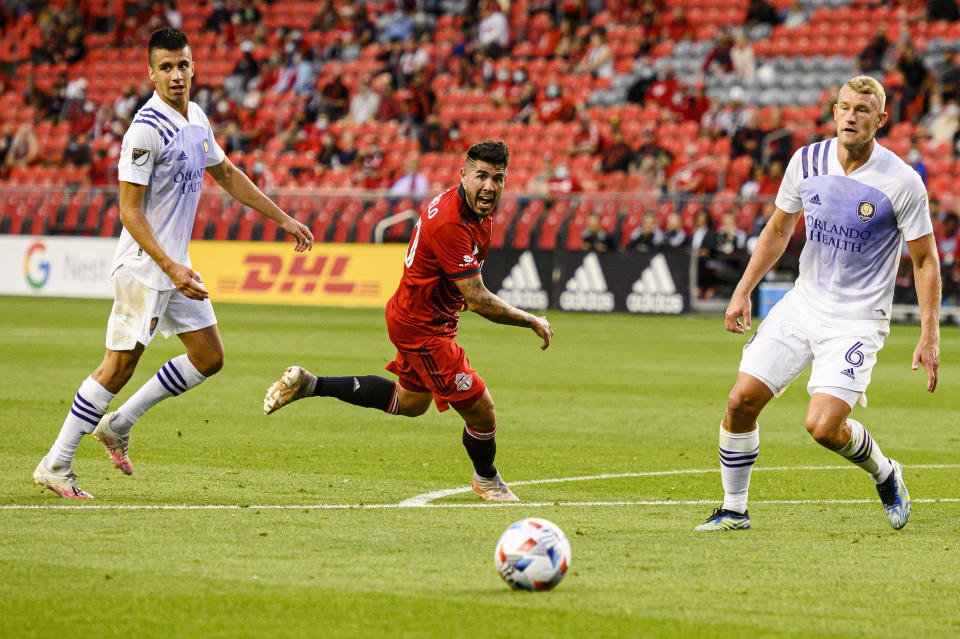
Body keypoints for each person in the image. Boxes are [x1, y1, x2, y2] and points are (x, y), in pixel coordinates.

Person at [33, 28, 314, 499]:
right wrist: (170, 267)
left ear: (193, 66)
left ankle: (119, 423)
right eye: (165, 67)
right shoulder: (145, 129)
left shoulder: (196, 117)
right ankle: (56, 463)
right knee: (116, 369)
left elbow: (225, 173)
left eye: (182, 64)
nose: (176, 75)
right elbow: (129, 211)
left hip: (174, 266)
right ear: (151, 73)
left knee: (209, 357)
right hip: (145, 267)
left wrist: (283, 219)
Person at [695, 76, 940, 532]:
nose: (851, 116)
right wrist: (743, 289)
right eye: (844, 107)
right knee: (740, 401)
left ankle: (886, 474)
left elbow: (924, 259)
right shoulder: (806, 161)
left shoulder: (902, 182)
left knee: (824, 427)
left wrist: (929, 333)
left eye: (862, 110)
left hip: (857, 320)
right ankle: (734, 509)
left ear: (880, 119)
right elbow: (778, 229)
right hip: (803, 303)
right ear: (833, 113)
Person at [262, 141, 553, 502]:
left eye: (498, 178)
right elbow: (478, 299)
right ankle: (487, 479)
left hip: (415, 313)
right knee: (481, 409)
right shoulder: (452, 221)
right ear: (463, 174)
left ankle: (311, 384)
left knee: (411, 403)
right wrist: (530, 320)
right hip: (424, 327)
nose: (490, 186)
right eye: (481, 176)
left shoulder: (471, 207)